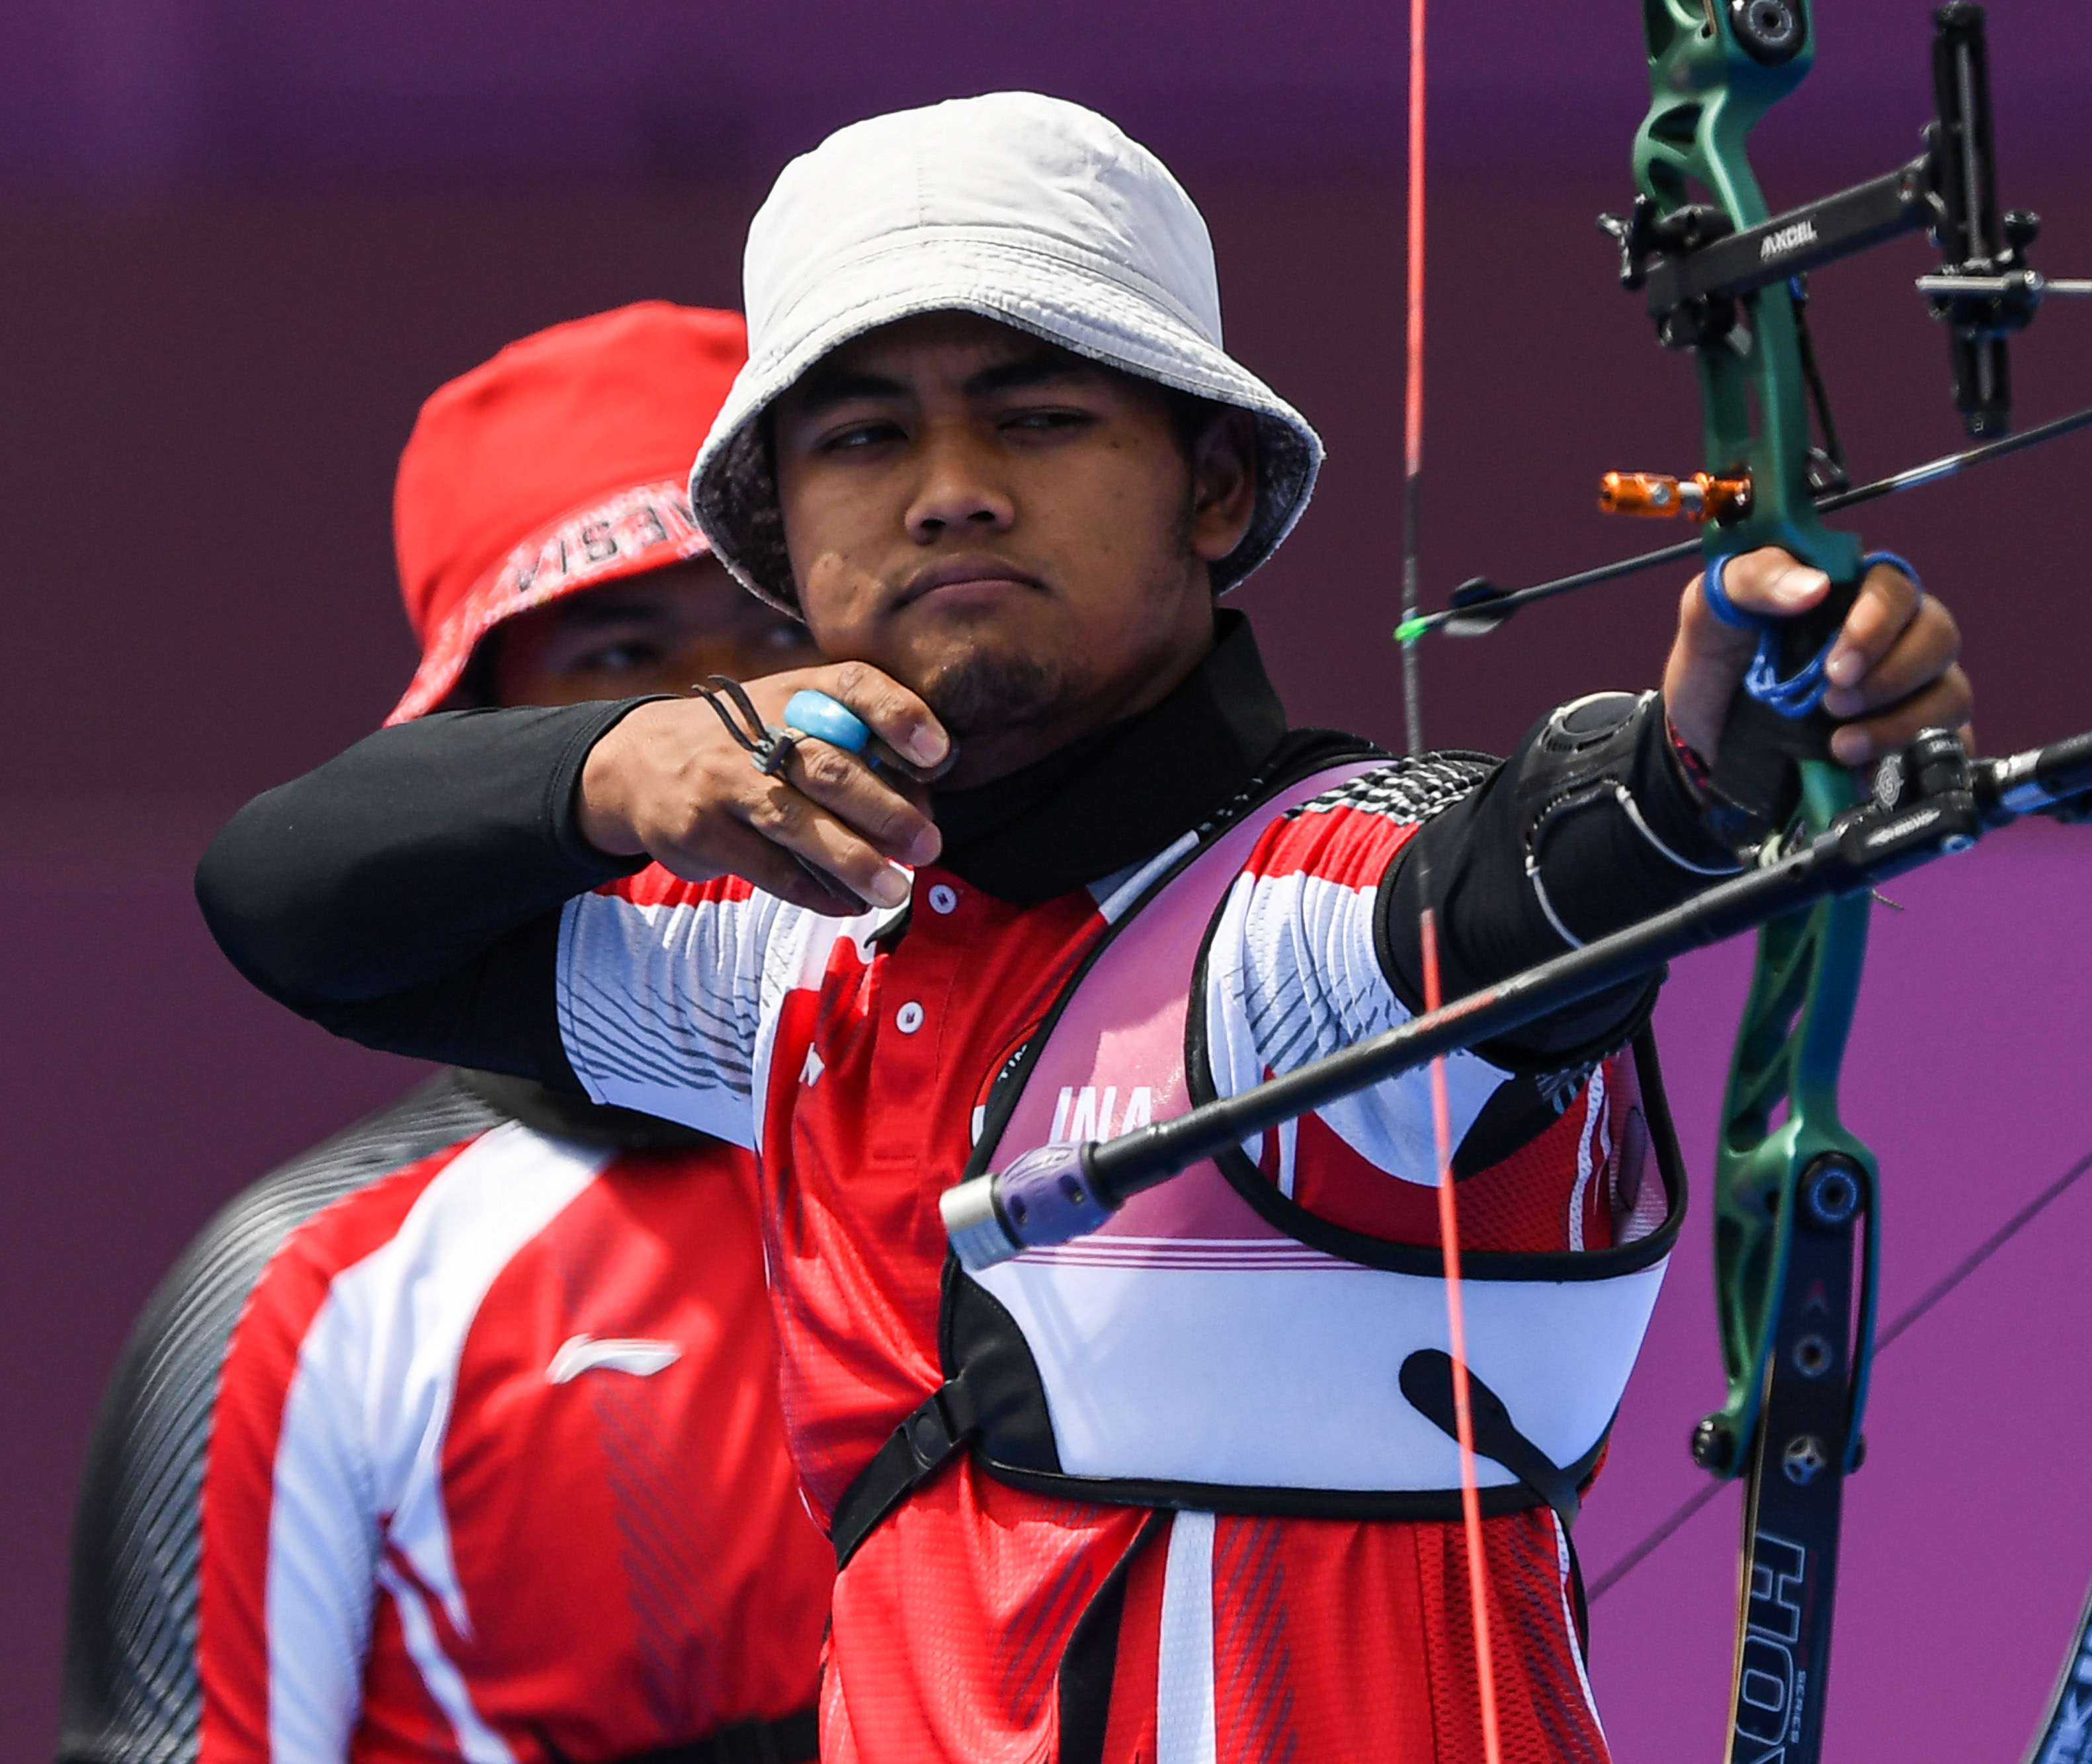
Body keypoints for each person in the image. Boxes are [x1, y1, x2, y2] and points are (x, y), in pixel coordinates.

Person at [196, 97, 1970, 1763]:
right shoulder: (796, 951)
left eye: (1035, 417)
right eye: (865, 436)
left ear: (1212, 492)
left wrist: (1703, 765)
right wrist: (614, 761)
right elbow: (291, 902)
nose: (949, 485)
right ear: (788, 541)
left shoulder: (1305, 911)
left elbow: (1515, 878)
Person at [63, 304, 835, 1764]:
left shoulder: (1056, 1139)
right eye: (617, 657)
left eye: (782, 631)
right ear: (480, 741)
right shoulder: (309, 1283)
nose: (727, 722)